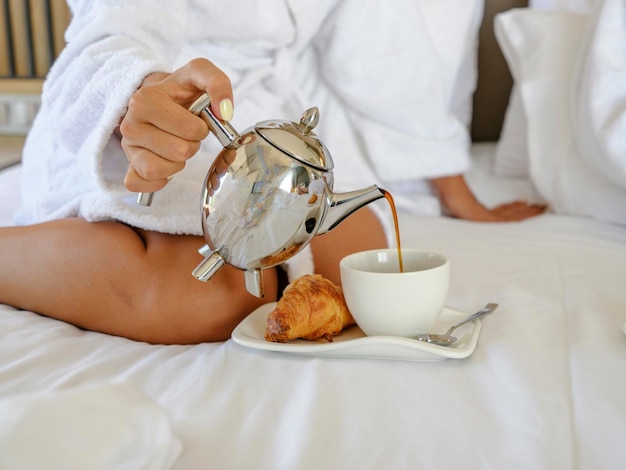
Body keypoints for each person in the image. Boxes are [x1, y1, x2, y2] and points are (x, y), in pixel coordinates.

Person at [0, 1, 544, 345]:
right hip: (161, 99)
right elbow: (111, 27)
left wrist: (449, 179)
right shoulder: (135, 89)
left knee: (360, 253)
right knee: (204, 299)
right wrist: (133, 96)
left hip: (264, 117)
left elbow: (387, 53)